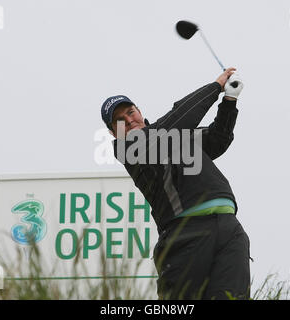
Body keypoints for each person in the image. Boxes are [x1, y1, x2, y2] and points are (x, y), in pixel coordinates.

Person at [100, 68, 251, 300]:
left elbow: (217, 138)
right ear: (113, 132)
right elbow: (178, 117)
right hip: (185, 236)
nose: (129, 120)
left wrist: (229, 101)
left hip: (229, 229)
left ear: (140, 111)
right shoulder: (129, 149)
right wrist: (215, 87)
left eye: (131, 112)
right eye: (120, 120)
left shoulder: (174, 136)